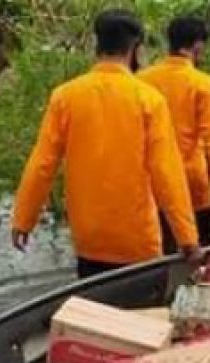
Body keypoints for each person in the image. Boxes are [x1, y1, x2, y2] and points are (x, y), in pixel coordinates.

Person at [11, 9, 199, 278]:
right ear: (135, 48)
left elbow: (43, 164)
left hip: (88, 238)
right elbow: (166, 172)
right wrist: (187, 237)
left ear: (96, 44)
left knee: (92, 313)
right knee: (138, 316)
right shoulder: (148, 99)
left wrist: (23, 220)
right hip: (137, 240)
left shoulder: (66, 96)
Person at [139, 15, 210, 252]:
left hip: (154, 185)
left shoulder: (142, 80)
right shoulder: (201, 83)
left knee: (162, 253)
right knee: (200, 254)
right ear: (197, 44)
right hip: (192, 185)